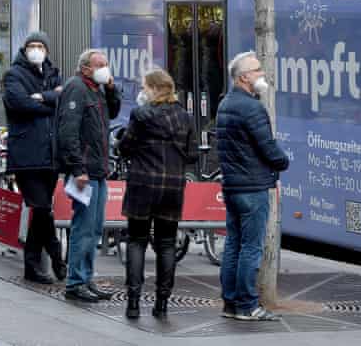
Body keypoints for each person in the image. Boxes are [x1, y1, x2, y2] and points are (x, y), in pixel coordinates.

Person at [118, 69, 197, 320]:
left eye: (145, 87)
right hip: (172, 188)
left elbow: (125, 147)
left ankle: (133, 303)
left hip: (142, 185)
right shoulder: (185, 117)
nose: (143, 91)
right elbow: (193, 154)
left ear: (153, 89)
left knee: (136, 241)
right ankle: (162, 304)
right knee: (166, 244)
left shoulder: (140, 115)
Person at [216, 51, 289, 322]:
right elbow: (267, 147)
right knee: (251, 247)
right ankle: (247, 305)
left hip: (233, 186)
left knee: (234, 244)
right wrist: (283, 162)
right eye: (257, 70)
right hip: (253, 187)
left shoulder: (225, 104)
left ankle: (230, 303)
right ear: (244, 77)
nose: (262, 74)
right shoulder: (252, 107)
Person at [57, 49, 120, 303]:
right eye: (100, 64)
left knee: (94, 229)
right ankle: (75, 282)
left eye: (106, 64)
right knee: (83, 228)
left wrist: (113, 90)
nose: (105, 68)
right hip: (85, 171)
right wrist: (77, 168)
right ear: (85, 68)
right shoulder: (76, 88)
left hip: (97, 170)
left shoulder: (97, 89)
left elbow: (112, 114)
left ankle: (86, 277)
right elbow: (68, 132)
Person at [2, 32, 66, 284]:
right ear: (25, 49)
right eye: (32, 46)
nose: (37, 50)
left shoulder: (53, 73)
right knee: (40, 207)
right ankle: (55, 255)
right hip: (26, 152)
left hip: (50, 152)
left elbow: (63, 101)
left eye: (41, 46)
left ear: (47, 51)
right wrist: (50, 100)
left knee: (42, 210)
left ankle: (34, 265)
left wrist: (44, 97)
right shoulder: (14, 74)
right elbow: (19, 104)